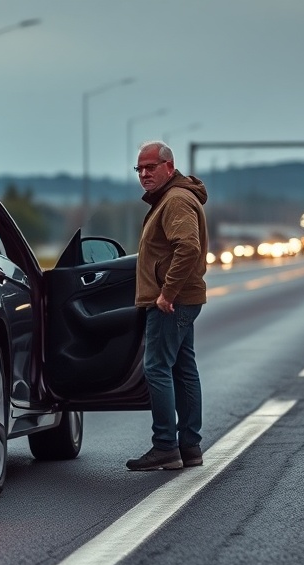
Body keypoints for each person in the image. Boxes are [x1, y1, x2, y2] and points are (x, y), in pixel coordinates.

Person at [126, 140, 209, 471]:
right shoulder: (172, 198)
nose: (144, 174)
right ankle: (189, 447)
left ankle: (165, 446)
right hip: (181, 300)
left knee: (157, 368)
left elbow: (188, 247)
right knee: (182, 369)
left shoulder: (175, 201)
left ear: (169, 167)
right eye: (140, 169)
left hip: (172, 302)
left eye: (151, 167)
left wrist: (167, 293)